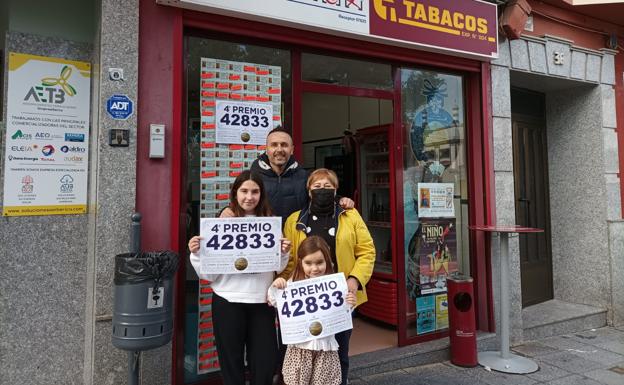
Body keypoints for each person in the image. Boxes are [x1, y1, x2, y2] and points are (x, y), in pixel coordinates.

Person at [188, 170, 292, 385]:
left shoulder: (270, 224)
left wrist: (283, 252)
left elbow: (278, 266)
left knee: (264, 362)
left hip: (261, 302)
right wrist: (197, 253)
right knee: (231, 364)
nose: (249, 197)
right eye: (244, 191)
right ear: (235, 193)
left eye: (255, 191)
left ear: (261, 194)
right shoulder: (220, 223)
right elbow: (208, 274)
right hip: (227, 301)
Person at [283, 168, 375, 385]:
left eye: (327, 187)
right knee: (303, 357)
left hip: (340, 298)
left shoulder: (350, 215)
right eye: (317, 187)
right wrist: (281, 288)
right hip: (304, 301)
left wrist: (354, 280)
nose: (322, 190)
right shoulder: (294, 220)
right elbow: (289, 261)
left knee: (339, 354)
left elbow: (367, 251)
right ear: (308, 190)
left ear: (336, 190)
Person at [268, 236, 357, 385]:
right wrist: (277, 285)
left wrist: (351, 302)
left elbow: (344, 310)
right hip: (299, 350)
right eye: (308, 263)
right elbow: (272, 299)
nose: (314, 268)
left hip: (326, 348)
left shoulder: (335, 284)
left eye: (319, 262)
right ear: (300, 262)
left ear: (327, 261)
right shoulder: (293, 283)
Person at [222, 127, 354, 224]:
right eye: (274, 145)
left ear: (292, 149)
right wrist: (226, 210)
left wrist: (340, 200)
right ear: (266, 149)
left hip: (296, 239)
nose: (279, 149)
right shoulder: (253, 177)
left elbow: (321, 197)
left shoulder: (304, 176)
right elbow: (241, 203)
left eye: (284, 145)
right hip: (264, 242)